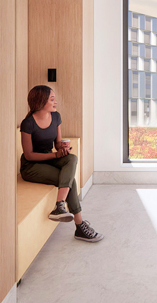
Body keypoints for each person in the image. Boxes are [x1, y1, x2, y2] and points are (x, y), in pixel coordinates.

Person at [20, 85, 103, 243]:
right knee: (69, 179)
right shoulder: (28, 123)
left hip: (49, 157)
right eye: (52, 99)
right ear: (41, 101)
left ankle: (60, 205)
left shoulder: (56, 117)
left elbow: (57, 143)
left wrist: (62, 149)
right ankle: (79, 226)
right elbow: (29, 155)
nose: (55, 102)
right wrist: (55, 155)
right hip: (31, 166)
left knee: (71, 158)